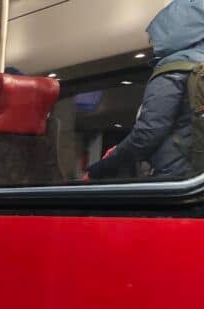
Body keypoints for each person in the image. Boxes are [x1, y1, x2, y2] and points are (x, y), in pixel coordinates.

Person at [87, 0, 204, 180]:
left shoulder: (173, 69)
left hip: (177, 181)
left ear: (170, 30)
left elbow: (147, 134)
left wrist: (101, 168)